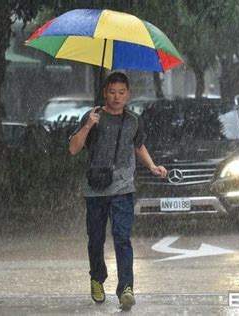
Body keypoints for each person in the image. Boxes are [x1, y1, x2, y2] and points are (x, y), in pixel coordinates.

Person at [69, 72, 167, 311]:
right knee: (96, 240)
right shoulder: (92, 116)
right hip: (95, 190)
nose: (116, 97)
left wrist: (153, 166)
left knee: (123, 238)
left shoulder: (133, 120)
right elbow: (73, 148)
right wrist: (89, 125)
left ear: (128, 94)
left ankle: (126, 288)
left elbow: (138, 145)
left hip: (123, 189)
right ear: (105, 92)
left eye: (121, 92)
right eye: (112, 92)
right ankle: (97, 278)